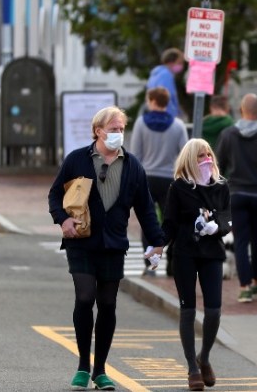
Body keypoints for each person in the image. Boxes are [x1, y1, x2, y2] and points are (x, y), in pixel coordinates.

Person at [48, 106, 165, 391]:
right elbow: (54, 194)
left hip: (113, 244)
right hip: (82, 242)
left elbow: (145, 208)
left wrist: (157, 241)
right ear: (98, 131)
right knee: (86, 297)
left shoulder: (133, 165)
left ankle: (100, 370)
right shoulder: (77, 160)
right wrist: (62, 220)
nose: (118, 134)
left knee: (108, 304)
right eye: (113, 129)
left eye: (121, 129)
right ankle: (82, 366)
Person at [162, 138, 232, 391]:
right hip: (185, 253)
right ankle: (192, 367)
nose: (206, 159)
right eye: (201, 156)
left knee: (214, 310)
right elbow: (169, 222)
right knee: (188, 309)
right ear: (190, 160)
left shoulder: (221, 187)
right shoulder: (179, 188)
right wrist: (157, 245)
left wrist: (218, 227)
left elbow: (226, 218)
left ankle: (205, 356)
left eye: (208, 154)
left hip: (212, 252)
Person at [215, 93, 257, 303]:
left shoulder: (228, 135)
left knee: (242, 241)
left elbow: (217, 166)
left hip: (236, 194)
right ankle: (256, 280)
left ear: (240, 111)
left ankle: (244, 287)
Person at [130, 86, 188, 276]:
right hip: (170, 180)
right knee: (172, 221)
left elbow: (135, 154)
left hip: (146, 178)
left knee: (148, 222)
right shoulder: (178, 125)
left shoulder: (140, 123)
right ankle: (172, 260)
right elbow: (185, 155)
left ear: (152, 101)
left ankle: (150, 265)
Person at [146, 47, 185, 119]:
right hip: (166, 117)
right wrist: (174, 116)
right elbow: (166, 98)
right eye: (179, 62)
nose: (181, 66)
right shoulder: (166, 75)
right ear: (171, 62)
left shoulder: (156, 74)